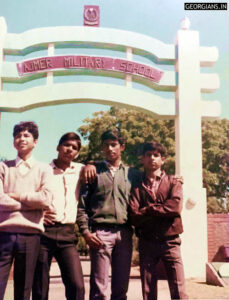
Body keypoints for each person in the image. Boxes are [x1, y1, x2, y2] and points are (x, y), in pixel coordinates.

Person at [77, 129, 141, 300]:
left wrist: (175, 179)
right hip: (100, 233)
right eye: (106, 145)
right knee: (99, 288)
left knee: (121, 287)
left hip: (125, 233)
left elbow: (152, 179)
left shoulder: (133, 174)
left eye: (114, 145)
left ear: (122, 147)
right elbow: (82, 205)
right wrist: (85, 231)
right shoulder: (93, 172)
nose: (110, 149)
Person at [0, 121, 53, 300]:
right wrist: (30, 204)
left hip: (30, 235)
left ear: (35, 141)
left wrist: (15, 196)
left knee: (23, 291)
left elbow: (45, 199)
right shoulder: (3, 167)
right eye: (17, 135)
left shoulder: (45, 169)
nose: (21, 139)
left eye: (26, 135)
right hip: (3, 233)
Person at [129, 142, 188, 300]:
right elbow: (134, 214)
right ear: (143, 159)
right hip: (147, 241)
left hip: (171, 240)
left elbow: (174, 207)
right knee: (148, 289)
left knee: (179, 288)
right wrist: (161, 209)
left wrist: (148, 209)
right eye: (148, 155)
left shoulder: (173, 181)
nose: (152, 158)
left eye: (156, 155)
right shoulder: (136, 185)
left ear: (163, 159)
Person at [32, 132, 85, 300]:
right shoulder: (42, 170)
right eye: (66, 145)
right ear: (58, 147)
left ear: (77, 153)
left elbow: (98, 167)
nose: (69, 149)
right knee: (40, 286)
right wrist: (38, 215)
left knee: (77, 285)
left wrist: (91, 164)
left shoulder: (81, 170)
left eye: (74, 148)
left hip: (67, 234)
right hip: (43, 233)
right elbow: (30, 197)